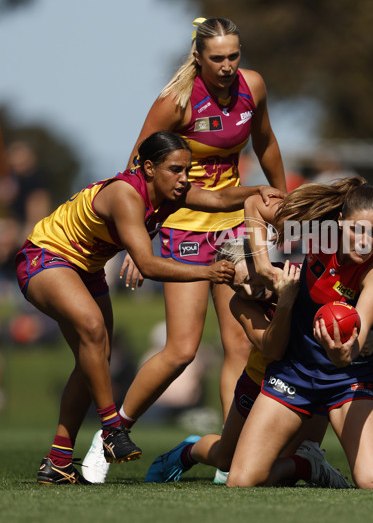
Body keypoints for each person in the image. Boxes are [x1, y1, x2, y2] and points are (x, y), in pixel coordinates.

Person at [15, 131, 281, 485]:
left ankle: (58, 462)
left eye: (187, 170)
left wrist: (256, 191)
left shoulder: (173, 192)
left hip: (87, 269)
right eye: (176, 169)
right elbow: (147, 263)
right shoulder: (127, 195)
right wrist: (208, 271)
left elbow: (218, 200)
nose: (184, 179)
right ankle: (111, 429)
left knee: (92, 356)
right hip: (47, 257)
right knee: (94, 331)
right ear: (149, 168)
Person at [116, 17, 287, 446]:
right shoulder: (175, 101)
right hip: (184, 226)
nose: (228, 66)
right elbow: (138, 170)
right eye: (218, 58)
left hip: (233, 223)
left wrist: (283, 201)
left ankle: (232, 453)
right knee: (182, 350)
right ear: (198, 57)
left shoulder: (254, 86)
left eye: (234, 56)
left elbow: (264, 141)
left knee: (242, 347)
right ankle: (113, 432)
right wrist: (139, 243)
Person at [225, 178, 373, 490]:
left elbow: (362, 329)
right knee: (241, 480)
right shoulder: (318, 234)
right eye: (357, 229)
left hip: (349, 376)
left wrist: (345, 352)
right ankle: (308, 465)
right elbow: (254, 205)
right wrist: (263, 269)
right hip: (295, 371)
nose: (365, 241)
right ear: (340, 223)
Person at [142, 237, 349, 488]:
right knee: (225, 459)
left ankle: (309, 465)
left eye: (250, 280)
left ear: (262, 264)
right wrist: (285, 302)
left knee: (278, 474)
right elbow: (273, 349)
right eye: (239, 287)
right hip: (259, 381)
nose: (250, 292)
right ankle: (190, 450)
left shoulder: (302, 277)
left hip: (309, 382)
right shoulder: (239, 303)